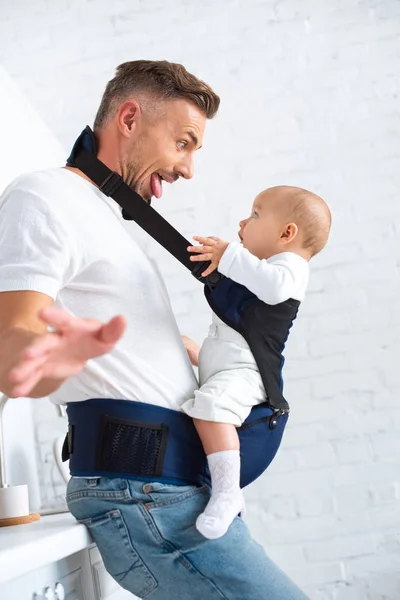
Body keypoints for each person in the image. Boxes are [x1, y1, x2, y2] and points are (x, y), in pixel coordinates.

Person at [0, 60, 309, 599]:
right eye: (183, 142)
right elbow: (12, 352)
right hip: (145, 495)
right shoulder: (43, 197)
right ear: (129, 118)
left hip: (168, 492)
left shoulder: (105, 218)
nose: (188, 168)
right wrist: (50, 358)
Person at [182, 185, 331, 539]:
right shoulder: (260, 271)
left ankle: (227, 492)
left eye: (255, 215)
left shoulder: (290, 268)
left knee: (210, 408)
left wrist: (229, 254)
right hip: (226, 365)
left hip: (246, 375)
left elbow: (276, 288)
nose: (243, 221)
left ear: (287, 233)